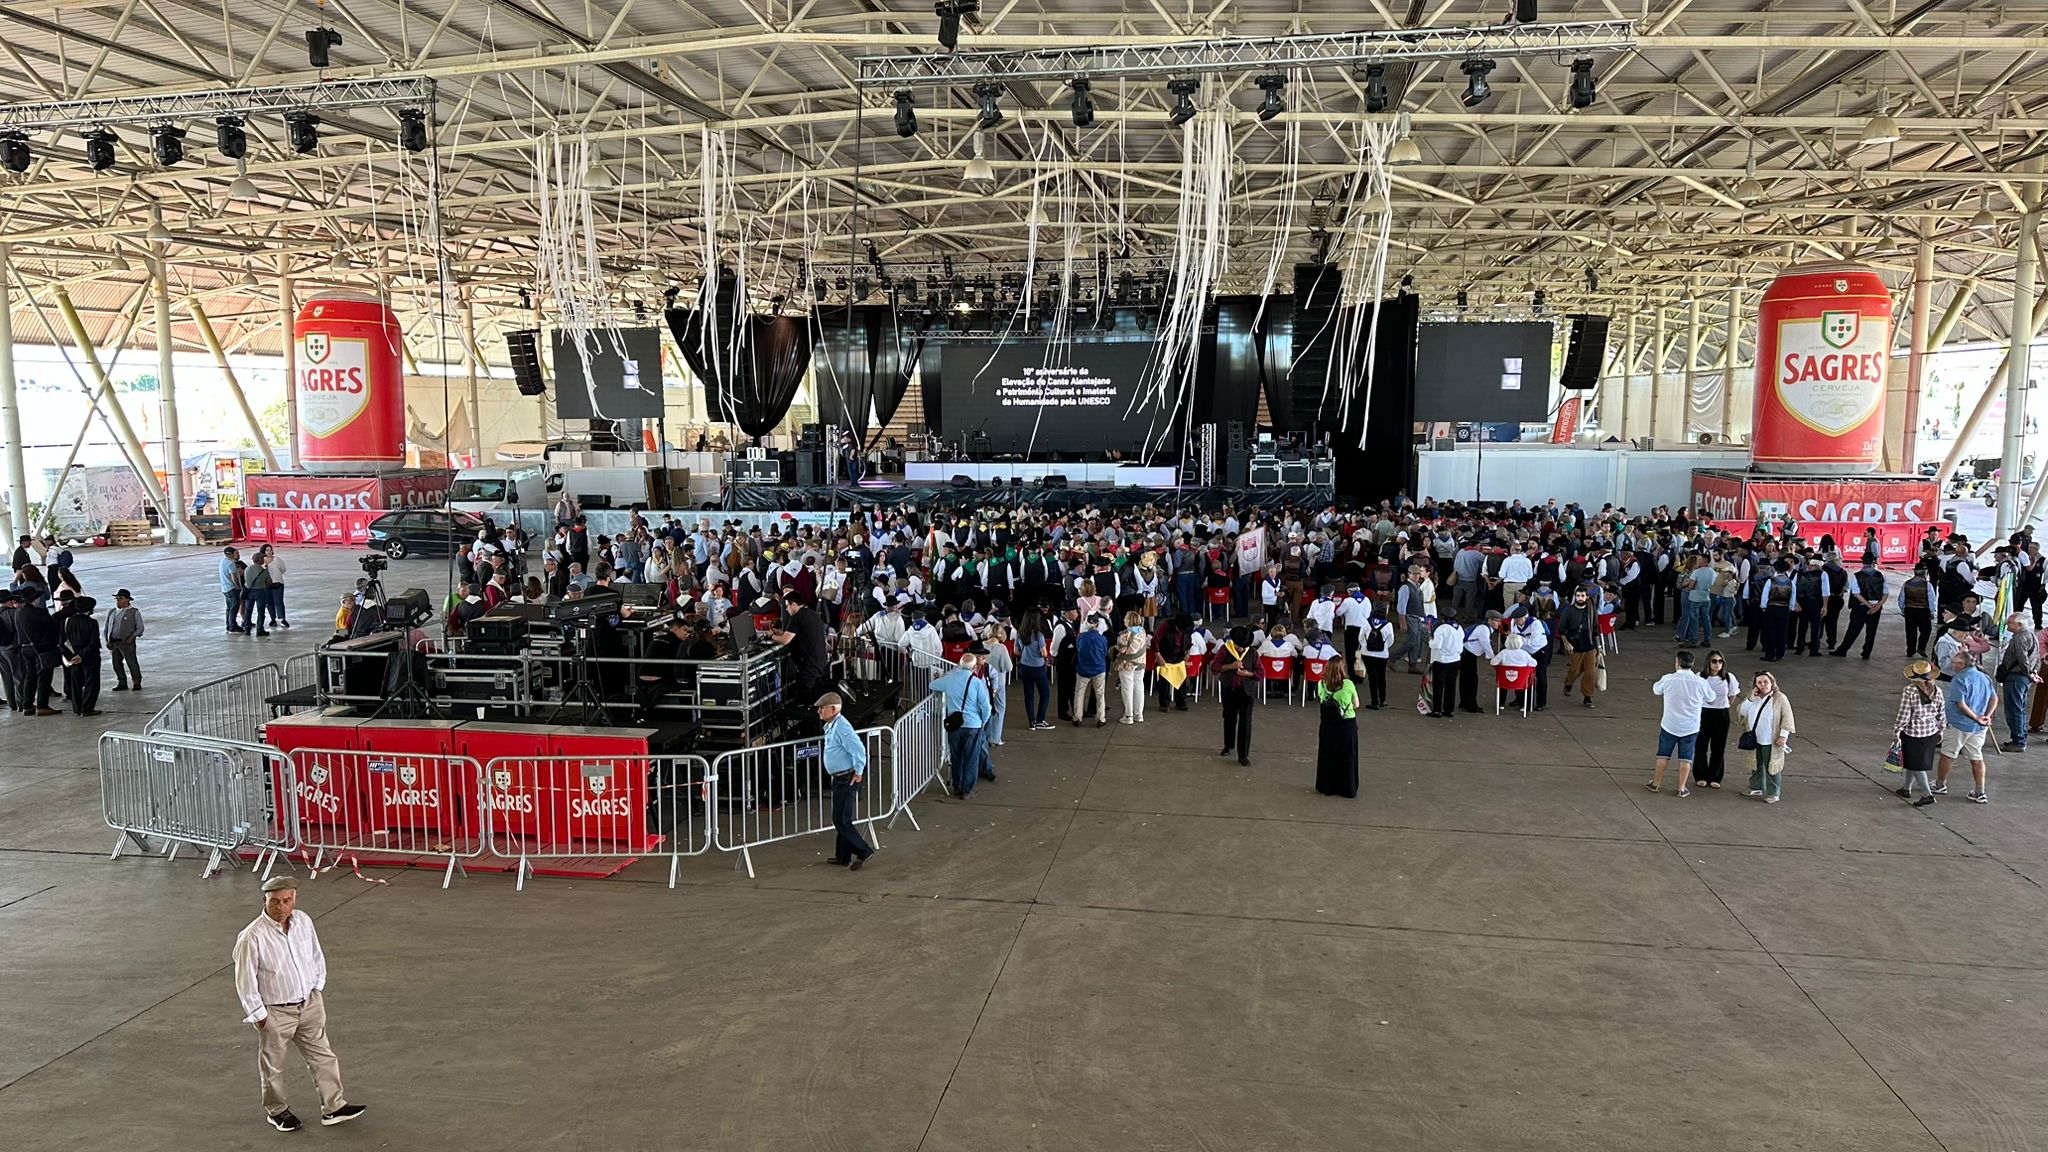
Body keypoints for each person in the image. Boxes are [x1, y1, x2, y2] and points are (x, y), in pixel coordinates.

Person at [231, 876, 366, 1132]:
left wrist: (317, 987)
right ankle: (277, 1111)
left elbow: (315, 954)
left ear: (295, 899)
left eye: (287, 900)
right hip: (276, 1011)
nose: (281, 907)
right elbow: (245, 980)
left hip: (310, 1005)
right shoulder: (252, 936)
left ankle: (334, 1107)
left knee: (323, 1056)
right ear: (264, 901)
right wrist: (259, 1016)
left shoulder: (303, 921)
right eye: (275, 901)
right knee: (273, 1065)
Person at [817, 692, 874, 869]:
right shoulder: (834, 726)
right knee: (842, 818)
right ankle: (842, 856)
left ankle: (863, 850)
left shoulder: (841, 727)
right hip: (841, 777)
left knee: (841, 820)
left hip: (846, 777)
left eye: (822, 708)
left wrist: (859, 771)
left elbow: (859, 749)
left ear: (833, 709)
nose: (819, 711)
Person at [1649, 651, 1712, 795]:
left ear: (1677, 663)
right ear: (1692, 664)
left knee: (1663, 755)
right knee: (1686, 758)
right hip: (1690, 726)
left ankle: (1656, 783)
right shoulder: (1701, 682)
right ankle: (1681, 788)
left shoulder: (1668, 679)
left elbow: (1656, 690)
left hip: (1669, 724)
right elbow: (1711, 698)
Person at [1936, 647, 1995, 803]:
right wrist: (1986, 716)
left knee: (1948, 754)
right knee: (1977, 758)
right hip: (1978, 728)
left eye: (1954, 662)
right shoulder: (1984, 677)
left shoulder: (1959, 679)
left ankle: (1940, 785)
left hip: (1959, 724)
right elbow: (1994, 698)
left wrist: (1976, 717)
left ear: (1961, 665)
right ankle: (1980, 791)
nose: (1952, 665)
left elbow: (1960, 704)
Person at [932, 652, 992, 798]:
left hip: (955, 724)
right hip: (973, 724)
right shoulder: (976, 682)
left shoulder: (950, 679)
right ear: (974, 667)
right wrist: (983, 721)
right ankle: (967, 790)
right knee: (971, 758)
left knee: (956, 756)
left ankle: (957, 786)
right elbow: (986, 706)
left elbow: (932, 685)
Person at [1738, 670, 1795, 803]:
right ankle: (1755, 786)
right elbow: (1741, 712)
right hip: (1755, 738)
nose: (1763, 685)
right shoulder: (1753, 697)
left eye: (1766, 682)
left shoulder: (1780, 698)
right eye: (1759, 682)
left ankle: (1773, 792)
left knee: (1772, 767)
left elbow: (1787, 717)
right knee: (1755, 764)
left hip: (1771, 739)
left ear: (1772, 683)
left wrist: (1783, 736)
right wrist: (1750, 699)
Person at [1895, 660, 1944, 807]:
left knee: (1917, 766)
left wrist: (1897, 729)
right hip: (1931, 732)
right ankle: (1906, 788)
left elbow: (1904, 714)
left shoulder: (1910, 691)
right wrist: (1941, 730)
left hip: (1913, 732)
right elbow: (1941, 714)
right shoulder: (1937, 691)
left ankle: (1927, 794)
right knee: (1913, 761)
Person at [768, 589, 831, 701]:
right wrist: (780, 633)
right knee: (817, 692)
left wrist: (771, 636)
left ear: (794, 604)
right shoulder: (812, 613)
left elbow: (785, 640)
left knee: (806, 696)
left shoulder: (797, 617)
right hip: (820, 659)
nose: (786, 609)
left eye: (787, 606)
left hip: (809, 664)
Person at [1313, 657, 1359, 798]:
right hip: (1346, 724)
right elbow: (1356, 704)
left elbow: (1320, 699)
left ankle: (1327, 786)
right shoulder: (1348, 684)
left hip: (1327, 724)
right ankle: (1347, 788)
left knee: (1327, 754)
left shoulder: (1321, 684)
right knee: (1348, 755)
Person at [1994, 612, 2040, 752]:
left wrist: (2029, 672)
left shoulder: (2020, 637)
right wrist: (2033, 673)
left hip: (2016, 677)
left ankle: (2018, 742)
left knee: (2014, 711)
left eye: (2010, 623)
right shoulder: (2032, 635)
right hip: (2023, 678)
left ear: (2019, 624)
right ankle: (2020, 738)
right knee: (2020, 709)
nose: (2007, 625)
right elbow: (2037, 657)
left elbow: (2022, 658)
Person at [1695, 650, 1739, 789]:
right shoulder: (1700, 677)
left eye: (1720, 661)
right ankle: (1700, 775)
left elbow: (1732, 695)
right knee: (1700, 745)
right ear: (1708, 662)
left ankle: (1715, 776)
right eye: (1714, 661)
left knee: (1718, 746)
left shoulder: (1728, 677)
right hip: (1703, 713)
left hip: (1721, 713)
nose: (1717, 664)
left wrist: (1725, 705)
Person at [1214, 625, 1256, 766]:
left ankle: (1243, 755)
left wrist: (1248, 674)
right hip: (1229, 689)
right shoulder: (1225, 650)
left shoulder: (1252, 653)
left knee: (1246, 722)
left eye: (1244, 646)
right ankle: (1228, 745)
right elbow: (1215, 666)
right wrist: (1230, 666)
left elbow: (1260, 673)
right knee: (1229, 718)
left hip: (1246, 691)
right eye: (1239, 645)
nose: (1241, 649)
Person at [1831, 556, 1887, 660]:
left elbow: (1856, 594)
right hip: (1876, 608)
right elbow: (1885, 593)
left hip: (1860, 607)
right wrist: (1878, 606)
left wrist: (1869, 605)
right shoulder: (1881, 576)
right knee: (1871, 632)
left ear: (1863, 563)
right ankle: (1866, 653)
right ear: (1873, 563)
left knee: (1853, 630)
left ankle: (1843, 650)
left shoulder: (1857, 576)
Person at [59, 594, 102, 717]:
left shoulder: (67, 621)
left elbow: (61, 642)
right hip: (90, 657)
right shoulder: (92, 623)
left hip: (73, 657)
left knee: (76, 683)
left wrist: (71, 657)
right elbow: (93, 643)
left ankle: (77, 709)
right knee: (91, 683)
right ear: (89, 609)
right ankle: (87, 708)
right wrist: (81, 655)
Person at [1559, 585, 1601, 708]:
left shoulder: (1591, 610)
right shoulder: (1569, 610)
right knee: (1574, 670)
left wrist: (1598, 646)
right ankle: (1568, 684)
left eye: (1582, 596)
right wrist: (1566, 642)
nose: (1580, 598)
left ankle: (1588, 697)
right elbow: (1561, 629)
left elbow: (1595, 630)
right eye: (1578, 596)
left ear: (1587, 597)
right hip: (1575, 646)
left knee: (1590, 672)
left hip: (1589, 645)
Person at [1016, 610, 1054, 730]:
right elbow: (1044, 653)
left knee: (1029, 695)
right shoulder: (1039, 636)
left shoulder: (1020, 634)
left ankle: (1031, 721)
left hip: (1024, 666)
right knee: (1045, 693)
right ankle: (1040, 720)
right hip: (1038, 667)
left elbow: (1016, 651)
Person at [103, 588, 143, 691]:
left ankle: (137, 682)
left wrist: (133, 637)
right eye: (117, 598)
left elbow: (140, 628)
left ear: (128, 600)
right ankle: (122, 682)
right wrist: (107, 640)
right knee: (116, 664)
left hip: (127, 643)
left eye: (120, 598)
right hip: (114, 642)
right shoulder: (112, 612)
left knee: (132, 663)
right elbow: (107, 627)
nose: (118, 600)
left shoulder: (134, 612)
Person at [1072, 614, 1109, 728]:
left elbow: (1078, 650)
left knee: (1079, 694)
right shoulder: (1102, 638)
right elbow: (1104, 653)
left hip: (1083, 669)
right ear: (1097, 625)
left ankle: (1077, 718)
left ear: (1087, 624)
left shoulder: (1080, 637)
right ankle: (1101, 718)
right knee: (1100, 695)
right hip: (1099, 669)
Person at [1356, 607, 1394, 710]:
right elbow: (1391, 640)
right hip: (1382, 655)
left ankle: (1374, 702)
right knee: (1381, 676)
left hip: (1367, 653)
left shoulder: (1366, 622)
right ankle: (1383, 700)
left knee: (1372, 677)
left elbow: (1360, 637)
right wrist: (1384, 647)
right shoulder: (1388, 624)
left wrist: (1365, 645)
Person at [1427, 615, 1463, 718]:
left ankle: (1437, 710)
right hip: (1455, 659)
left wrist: (1430, 641)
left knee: (1438, 685)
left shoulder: (1441, 629)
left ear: (1443, 618)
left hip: (1442, 660)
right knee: (1451, 685)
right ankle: (1449, 709)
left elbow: (1437, 645)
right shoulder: (1459, 628)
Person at [219, 545, 246, 634]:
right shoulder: (231, 564)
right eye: (235, 553)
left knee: (229, 608)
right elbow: (234, 577)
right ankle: (233, 626)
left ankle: (229, 625)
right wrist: (239, 587)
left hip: (225, 588)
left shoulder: (222, 562)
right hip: (232, 588)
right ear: (231, 554)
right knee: (234, 608)